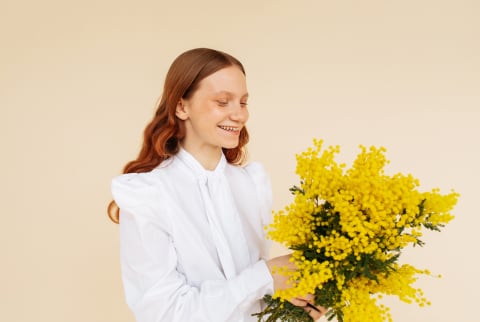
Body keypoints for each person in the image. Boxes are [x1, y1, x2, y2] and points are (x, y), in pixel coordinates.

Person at [107, 48, 326, 322]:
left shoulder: (251, 186)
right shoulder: (149, 195)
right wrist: (266, 276)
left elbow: (252, 309)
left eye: (243, 102)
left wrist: (296, 312)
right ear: (181, 106)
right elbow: (165, 314)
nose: (240, 115)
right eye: (223, 102)